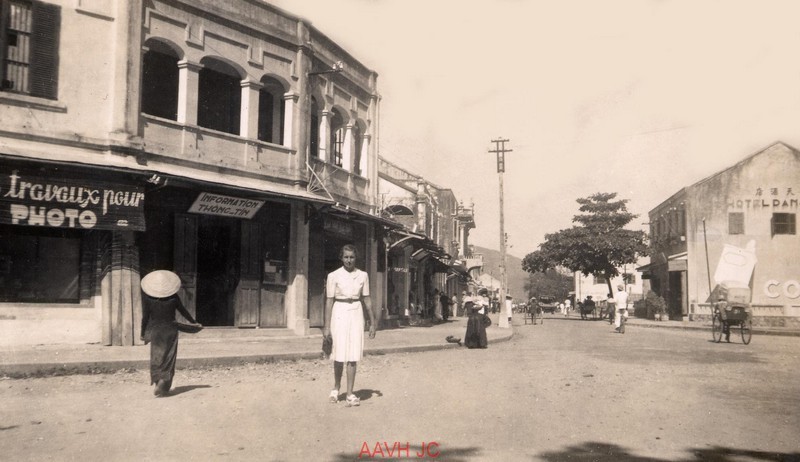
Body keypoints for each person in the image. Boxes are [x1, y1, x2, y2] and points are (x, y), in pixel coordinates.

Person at [323, 244, 376, 407]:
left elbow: (366, 299)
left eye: (351, 257)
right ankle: (336, 388)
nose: (349, 260)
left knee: (353, 354)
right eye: (346, 257)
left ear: (356, 258)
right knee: (339, 353)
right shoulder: (333, 276)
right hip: (339, 312)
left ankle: (350, 393)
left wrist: (372, 322)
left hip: (356, 312)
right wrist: (326, 326)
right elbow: (329, 301)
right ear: (341, 258)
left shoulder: (363, 275)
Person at [140, 270, 202, 397]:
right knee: (169, 357)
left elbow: (145, 317)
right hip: (171, 329)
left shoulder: (149, 299)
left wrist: (142, 333)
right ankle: (164, 384)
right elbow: (183, 311)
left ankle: (158, 382)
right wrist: (194, 322)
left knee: (157, 357)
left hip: (156, 330)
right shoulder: (173, 298)